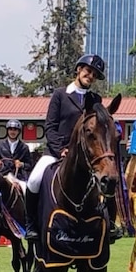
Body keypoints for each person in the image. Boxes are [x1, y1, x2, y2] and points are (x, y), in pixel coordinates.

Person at [24, 54, 121, 242]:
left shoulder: (95, 99)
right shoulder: (60, 94)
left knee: (107, 176)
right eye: (88, 71)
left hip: (85, 156)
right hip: (57, 152)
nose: (90, 76)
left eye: (94, 75)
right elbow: (50, 127)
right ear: (78, 69)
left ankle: (110, 224)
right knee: (34, 180)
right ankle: (31, 225)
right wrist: (60, 149)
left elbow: (98, 129)